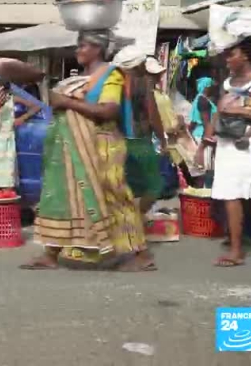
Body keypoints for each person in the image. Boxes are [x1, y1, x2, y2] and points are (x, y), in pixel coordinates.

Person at [21, 30, 153, 272]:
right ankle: (51, 254)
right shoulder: (79, 78)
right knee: (68, 197)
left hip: (104, 145)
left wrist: (67, 102)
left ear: (97, 49)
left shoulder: (111, 75)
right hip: (74, 146)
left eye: (83, 46)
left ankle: (141, 255)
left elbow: (109, 111)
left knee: (115, 196)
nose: (78, 50)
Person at [211, 37, 251, 267]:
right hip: (227, 143)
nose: (227, 59)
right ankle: (236, 248)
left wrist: (239, 111)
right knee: (240, 196)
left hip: (250, 143)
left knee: (242, 196)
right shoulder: (228, 83)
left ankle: (236, 250)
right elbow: (218, 112)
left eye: (231, 54)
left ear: (245, 55)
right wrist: (206, 141)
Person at [124, 55, 168, 215]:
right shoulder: (144, 83)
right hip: (139, 139)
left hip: (119, 139)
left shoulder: (117, 82)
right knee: (155, 185)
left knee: (128, 184)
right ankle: (137, 218)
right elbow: (152, 114)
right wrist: (162, 139)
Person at [191, 77, 218, 187]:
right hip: (204, 134)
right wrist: (206, 140)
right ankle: (204, 191)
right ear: (206, 87)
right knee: (205, 167)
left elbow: (193, 122)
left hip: (201, 133)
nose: (212, 88)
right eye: (210, 85)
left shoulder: (199, 99)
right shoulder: (203, 101)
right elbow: (207, 122)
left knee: (203, 168)